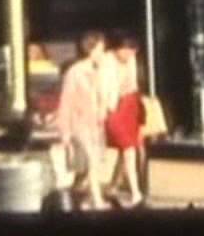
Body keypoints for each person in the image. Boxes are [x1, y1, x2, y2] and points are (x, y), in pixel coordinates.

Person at [53, 30, 108, 210]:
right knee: (92, 161)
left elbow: (102, 96)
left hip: (95, 124)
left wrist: (103, 108)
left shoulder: (97, 71)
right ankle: (96, 200)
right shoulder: (75, 73)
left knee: (92, 164)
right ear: (90, 50)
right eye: (100, 49)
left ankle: (80, 196)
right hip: (80, 124)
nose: (102, 53)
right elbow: (66, 102)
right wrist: (65, 132)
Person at [104, 31, 145, 208]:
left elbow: (132, 85)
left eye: (133, 52)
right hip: (113, 108)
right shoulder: (107, 61)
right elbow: (106, 89)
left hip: (129, 104)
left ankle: (114, 186)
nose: (130, 55)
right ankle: (135, 192)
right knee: (128, 148)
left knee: (128, 149)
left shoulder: (131, 60)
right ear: (118, 48)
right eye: (127, 51)